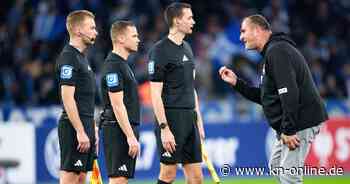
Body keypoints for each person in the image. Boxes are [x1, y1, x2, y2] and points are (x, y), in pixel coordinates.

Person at [219, 14, 328, 183]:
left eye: (243, 31)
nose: (240, 37)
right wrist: (237, 83)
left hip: (301, 119)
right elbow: (266, 97)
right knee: (276, 165)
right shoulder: (271, 53)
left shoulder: (277, 51)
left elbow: (289, 92)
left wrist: (289, 129)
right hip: (295, 119)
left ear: (256, 30)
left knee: (288, 175)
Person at [148, 2, 205, 184]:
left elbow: (191, 87)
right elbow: (155, 93)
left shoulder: (188, 48)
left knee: (196, 178)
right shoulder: (159, 50)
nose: (193, 22)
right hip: (171, 118)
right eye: (189, 18)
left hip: (190, 119)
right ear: (177, 21)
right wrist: (164, 129)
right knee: (168, 174)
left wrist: (199, 120)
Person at [55, 10, 98, 184]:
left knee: (81, 178)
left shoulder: (81, 58)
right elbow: (67, 98)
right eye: (92, 27)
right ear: (79, 30)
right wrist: (80, 131)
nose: (96, 32)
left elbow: (84, 99)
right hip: (73, 127)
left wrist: (91, 127)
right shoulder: (68, 57)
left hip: (85, 125)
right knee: (70, 178)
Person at [99, 21, 141, 184]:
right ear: (121, 39)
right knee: (118, 179)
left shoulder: (122, 65)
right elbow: (117, 104)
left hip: (123, 128)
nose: (138, 39)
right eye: (134, 36)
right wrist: (130, 136)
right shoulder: (114, 66)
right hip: (118, 130)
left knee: (121, 179)